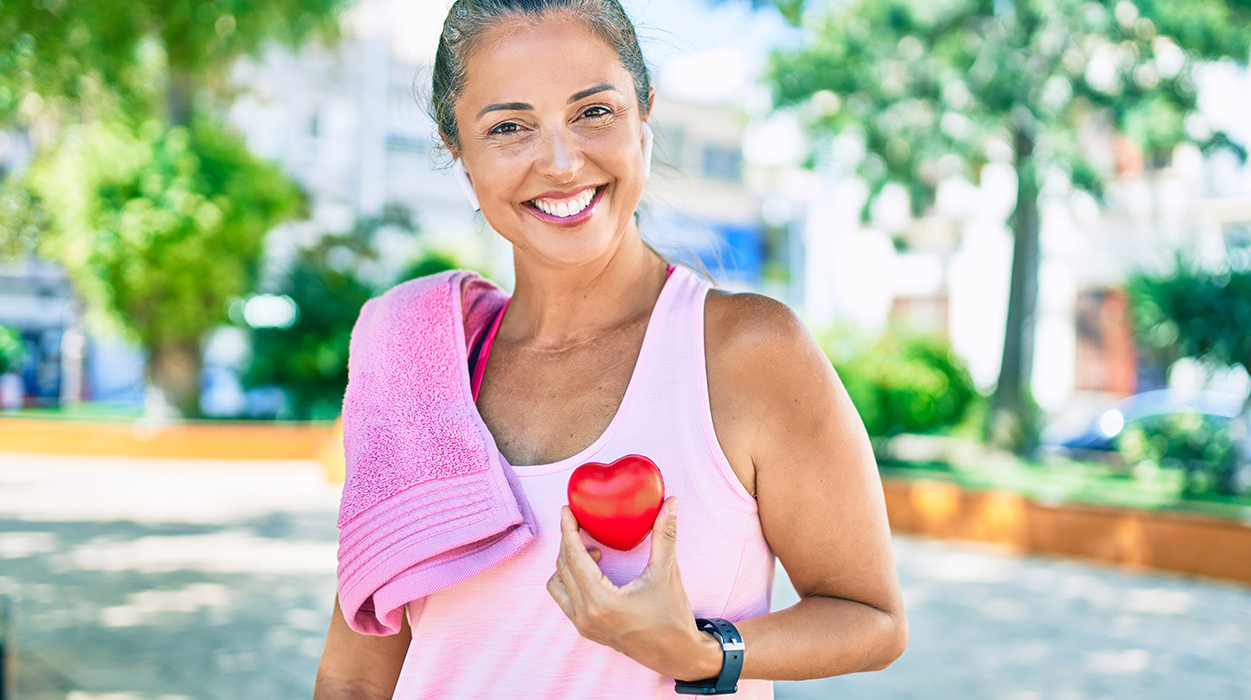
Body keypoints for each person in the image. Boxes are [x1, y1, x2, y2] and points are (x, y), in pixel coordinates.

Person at [315, 1, 907, 696]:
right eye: (508, 127)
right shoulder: (415, 366)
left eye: (594, 112)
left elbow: (871, 619)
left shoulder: (747, 352)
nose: (562, 163)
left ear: (643, 113)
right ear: (458, 152)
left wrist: (703, 650)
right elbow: (357, 675)